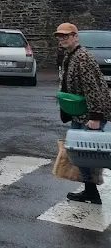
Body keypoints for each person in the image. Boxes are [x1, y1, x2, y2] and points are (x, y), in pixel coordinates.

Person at [55, 21, 111, 204]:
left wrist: (95, 117)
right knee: (82, 155)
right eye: (60, 36)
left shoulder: (83, 57)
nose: (62, 39)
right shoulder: (69, 55)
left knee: (99, 155)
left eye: (66, 36)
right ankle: (90, 192)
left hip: (90, 115)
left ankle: (91, 192)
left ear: (75, 37)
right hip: (80, 113)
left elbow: (94, 88)